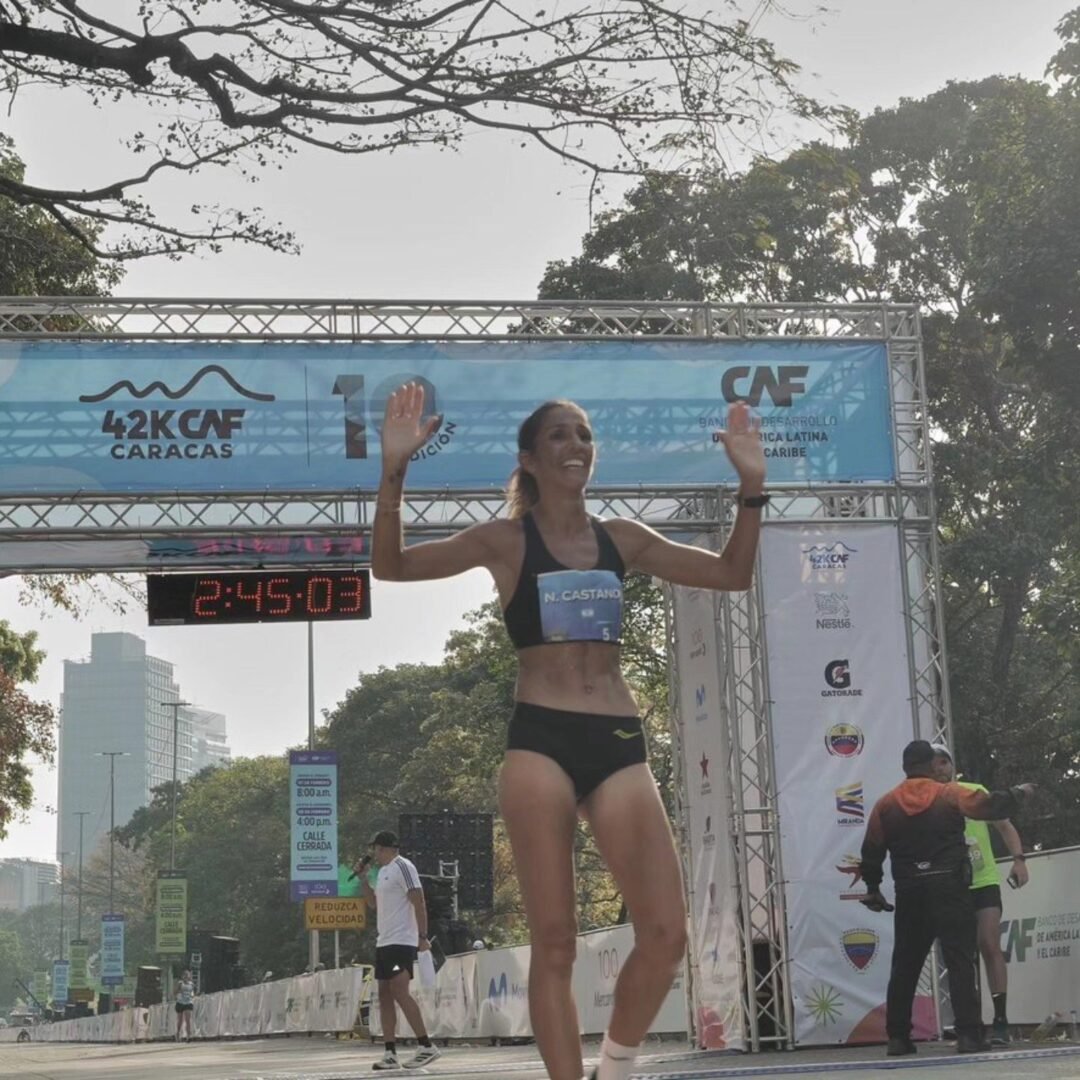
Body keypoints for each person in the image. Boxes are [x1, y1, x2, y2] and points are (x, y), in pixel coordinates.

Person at [372, 384, 767, 1080]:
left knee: (668, 935)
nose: (575, 446)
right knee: (554, 943)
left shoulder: (623, 539)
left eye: (583, 435)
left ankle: (613, 1066)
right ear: (529, 457)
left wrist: (752, 487)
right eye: (558, 435)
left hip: (617, 740)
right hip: (540, 742)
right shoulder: (503, 541)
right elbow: (392, 565)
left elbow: (732, 575)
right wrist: (394, 470)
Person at [858, 739, 1034, 1058]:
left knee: (905, 965)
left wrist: (873, 887)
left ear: (904, 767)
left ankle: (898, 1038)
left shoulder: (886, 803)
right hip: (950, 889)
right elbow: (990, 806)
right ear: (929, 765)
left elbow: (871, 849)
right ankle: (968, 1035)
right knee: (959, 959)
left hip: (910, 890)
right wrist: (1019, 793)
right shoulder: (949, 793)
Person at [930, 744, 1029, 1045]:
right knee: (961, 955)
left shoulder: (974, 791)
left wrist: (1018, 860)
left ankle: (1000, 1021)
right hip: (950, 886)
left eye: (945, 762)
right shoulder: (925, 801)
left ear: (952, 764)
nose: (940, 769)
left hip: (983, 881)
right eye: (934, 764)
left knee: (989, 943)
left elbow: (1004, 824)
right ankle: (969, 1026)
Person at [356, 830, 440, 1072]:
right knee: (384, 994)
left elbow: (419, 900)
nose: (374, 853)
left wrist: (422, 936)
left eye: (377, 849)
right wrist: (363, 880)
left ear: (386, 848)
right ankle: (390, 1052)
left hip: (401, 941)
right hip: (384, 942)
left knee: (399, 990)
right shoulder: (382, 873)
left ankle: (426, 1046)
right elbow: (373, 904)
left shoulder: (404, 866)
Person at [174, 969, 194, 1041]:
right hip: (180, 1002)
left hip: (188, 1002)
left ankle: (188, 1036)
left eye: (187, 975)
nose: (186, 976)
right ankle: (178, 1033)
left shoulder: (191, 984)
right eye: (184, 975)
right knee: (180, 1020)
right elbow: (174, 992)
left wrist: (193, 996)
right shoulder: (180, 983)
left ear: (189, 976)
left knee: (188, 1019)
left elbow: (192, 992)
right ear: (182, 976)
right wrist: (178, 991)